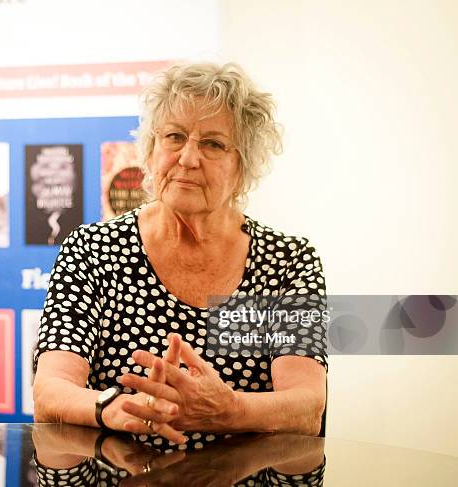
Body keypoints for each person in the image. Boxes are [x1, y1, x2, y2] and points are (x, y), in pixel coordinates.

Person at [33, 62, 328, 447]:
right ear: (152, 151)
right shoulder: (92, 250)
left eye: (213, 144)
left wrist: (230, 409)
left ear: (243, 167)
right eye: (174, 136)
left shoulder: (290, 262)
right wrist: (114, 407)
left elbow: (306, 407)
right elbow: (50, 390)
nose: (188, 158)